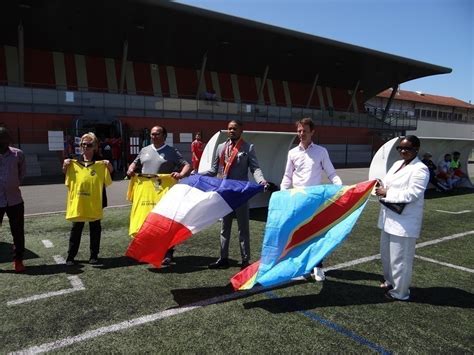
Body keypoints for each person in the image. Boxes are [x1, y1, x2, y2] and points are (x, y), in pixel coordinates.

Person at [280, 117, 342, 282]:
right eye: (299, 131)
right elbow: (287, 176)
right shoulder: (292, 153)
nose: (301, 134)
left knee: (316, 235)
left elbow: (331, 173)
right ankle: (301, 269)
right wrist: (282, 194)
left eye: (304, 131)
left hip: (315, 201)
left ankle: (318, 267)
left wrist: (341, 187)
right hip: (297, 200)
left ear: (312, 132)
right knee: (299, 235)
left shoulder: (321, 152)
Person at [202, 120, 267, 270]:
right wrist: (198, 175)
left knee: (243, 228)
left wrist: (261, 180)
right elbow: (213, 169)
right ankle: (223, 258)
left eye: (235, 128)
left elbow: (255, 169)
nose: (232, 131)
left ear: (241, 130)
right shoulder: (220, 147)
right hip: (225, 193)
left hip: (241, 193)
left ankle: (245, 260)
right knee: (225, 227)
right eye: (230, 129)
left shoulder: (248, 147)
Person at [127, 125, 191, 266]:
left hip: (164, 193)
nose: (153, 136)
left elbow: (187, 165)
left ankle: (168, 253)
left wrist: (180, 174)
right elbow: (134, 164)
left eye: (157, 134)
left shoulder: (171, 151)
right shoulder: (144, 150)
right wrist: (131, 169)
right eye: (152, 134)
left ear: (164, 136)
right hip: (146, 193)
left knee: (164, 223)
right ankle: (147, 252)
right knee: (146, 221)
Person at [375, 135, 429, 301]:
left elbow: (413, 193)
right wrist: (379, 185)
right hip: (388, 217)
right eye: (401, 148)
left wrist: (387, 192)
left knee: (400, 260)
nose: (403, 151)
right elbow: (387, 183)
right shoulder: (397, 164)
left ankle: (401, 292)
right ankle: (390, 282)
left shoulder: (420, 169)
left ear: (416, 150)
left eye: (408, 148)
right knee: (386, 256)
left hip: (404, 222)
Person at [63, 132, 113, 265]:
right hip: (79, 202)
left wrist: (109, 167)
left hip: (95, 201)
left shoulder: (100, 163)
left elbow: (108, 179)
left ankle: (94, 255)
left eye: (89, 144)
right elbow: (67, 178)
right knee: (76, 228)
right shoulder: (73, 161)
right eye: (83, 144)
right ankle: (71, 256)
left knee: (95, 228)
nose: (86, 147)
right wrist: (65, 166)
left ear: (95, 146)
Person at [0, 127, 27, 272]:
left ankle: (18, 260)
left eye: (4, 140)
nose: (2, 143)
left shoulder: (18, 154)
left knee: (17, 232)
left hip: (15, 200)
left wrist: (13, 183)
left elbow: (22, 173)